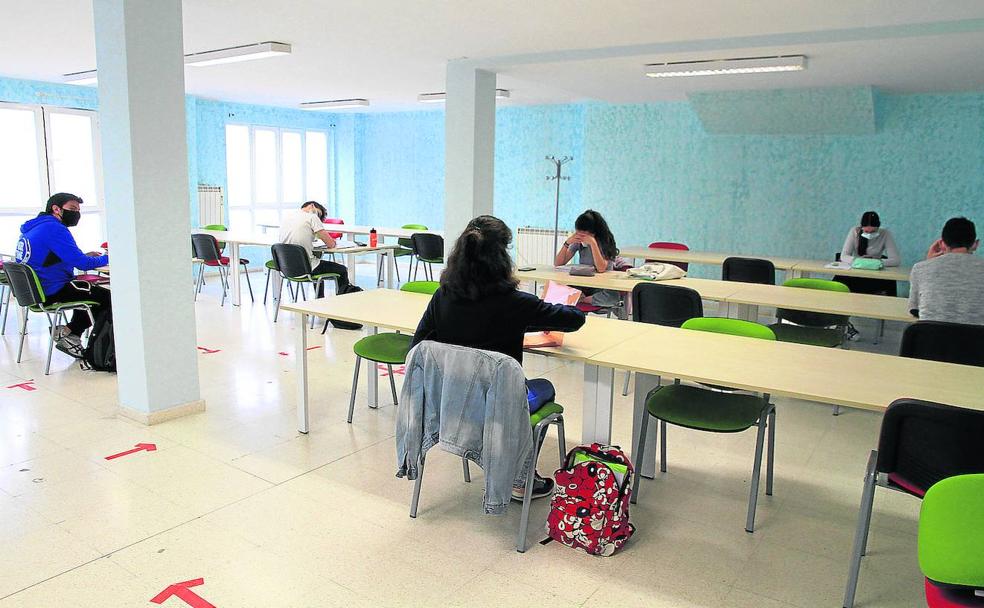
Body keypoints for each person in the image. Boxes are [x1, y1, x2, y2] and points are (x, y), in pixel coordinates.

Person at [410, 215, 586, 499]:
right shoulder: (517, 304)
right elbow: (574, 319)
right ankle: (519, 480)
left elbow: (418, 347)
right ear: (501, 257)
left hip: (451, 400)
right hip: (499, 404)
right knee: (544, 387)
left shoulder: (443, 296)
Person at [15, 193, 110, 358]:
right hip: (52, 290)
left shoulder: (35, 228)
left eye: (78, 210)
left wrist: (86, 256)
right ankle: (87, 346)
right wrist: (111, 257)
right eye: (72, 209)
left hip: (37, 292)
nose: (76, 213)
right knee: (107, 298)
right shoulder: (54, 228)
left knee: (87, 290)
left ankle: (66, 332)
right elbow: (83, 264)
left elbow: (48, 258)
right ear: (56, 209)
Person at [835, 210, 902, 339]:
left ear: (878, 227)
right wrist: (858, 261)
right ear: (861, 227)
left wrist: (877, 262)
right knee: (837, 284)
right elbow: (844, 256)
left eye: (873, 232)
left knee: (888, 285)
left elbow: (896, 260)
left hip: (875, 275)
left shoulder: (885, 234)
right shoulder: (854, 232)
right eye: (866, 231)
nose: (869, 234)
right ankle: (842, 324)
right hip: (856, 272)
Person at [908, 217, 984, 325]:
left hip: (931, 339)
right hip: (977, 340)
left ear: (942, 243)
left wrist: (928, 263)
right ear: (975, 244)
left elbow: (914, 309)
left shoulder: (920, 268)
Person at [277, 201, 350, 296]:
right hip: (307, 268)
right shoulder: (312, 217)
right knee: (342, 269)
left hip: (287, 268)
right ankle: (343, 301)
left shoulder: (288, 217)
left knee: (319, 268)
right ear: (312, 206)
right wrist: (332, 241)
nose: (317, 217)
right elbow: (331, 244)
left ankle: (319, 302)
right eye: (318, 213)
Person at [554, 209, 622, 308]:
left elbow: (601, 268)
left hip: (602, 286)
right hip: (583, 283)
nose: (580, 237)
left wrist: (593, 244)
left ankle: (582, 299)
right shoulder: (578, 242)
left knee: (611, 297)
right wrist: (567, 243)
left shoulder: (605, 241)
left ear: (593, 233)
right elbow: (558, 263)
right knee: (553, 289)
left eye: (584, 235)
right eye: (578, 233)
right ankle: (581, 298)